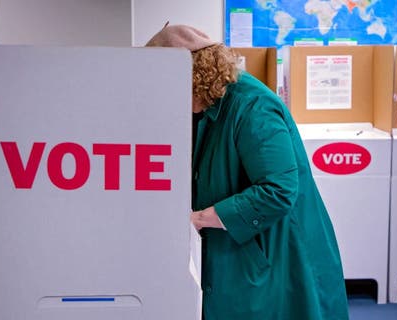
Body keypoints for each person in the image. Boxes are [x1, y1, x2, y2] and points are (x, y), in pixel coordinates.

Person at [145, 23, 350, 320]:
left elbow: (278, 191)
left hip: (276, 250)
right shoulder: (208, 106)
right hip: (241, 247)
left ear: (190, 76)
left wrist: (196, 219)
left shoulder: (252, 106)